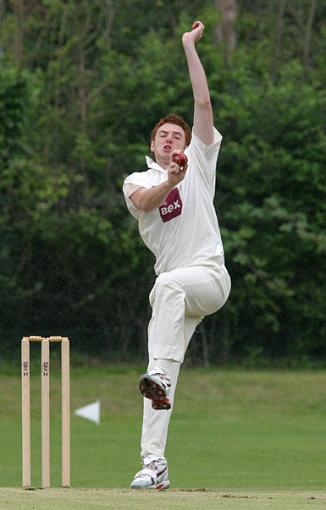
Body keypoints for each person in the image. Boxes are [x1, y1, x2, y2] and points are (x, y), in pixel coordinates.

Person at [122, 20, 231, 490]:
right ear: (153, 146)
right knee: (159, 375)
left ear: (188, 144)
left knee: (164, 288)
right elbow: (145, 203)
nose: (170, 140)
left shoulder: (201, 165)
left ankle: (159, 378)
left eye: (177, 136)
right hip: (173, 298)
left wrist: (189, 46)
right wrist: (168, 179)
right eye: (162, 136)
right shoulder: (139, 180)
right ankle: (154, 463)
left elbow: (203, 103)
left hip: (207, 278)